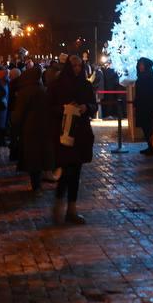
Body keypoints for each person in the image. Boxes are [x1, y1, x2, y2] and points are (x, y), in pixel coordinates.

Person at [50, 55, 97, 224]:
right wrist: (64, 109)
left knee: (75, 171)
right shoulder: (57, 85)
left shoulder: (85, 85)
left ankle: (71, 208)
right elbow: (49, 107)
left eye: (79, 65)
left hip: (81, 132)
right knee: (66, 169)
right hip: (64, 133)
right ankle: (60, 203)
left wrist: (86, 107)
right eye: (74, 65)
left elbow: (93, 105)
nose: (77, 69)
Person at [11, 66, 55, 191]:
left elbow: (19, 113)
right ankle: (37, 183)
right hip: (42, 127)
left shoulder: (25, 91)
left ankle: (36, 184)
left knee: (33, 157)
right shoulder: (42, 89)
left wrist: (14, 123)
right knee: (39, 156)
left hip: (29, 128)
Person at [134, 57, 153, 156]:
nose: (140, 66)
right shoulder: (139, 79)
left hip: (152, 108)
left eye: (142, 64)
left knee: (152, 129)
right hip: (142, 108)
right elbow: (138, 94)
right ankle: (150, 146)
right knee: (145, 128)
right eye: (139, 65)